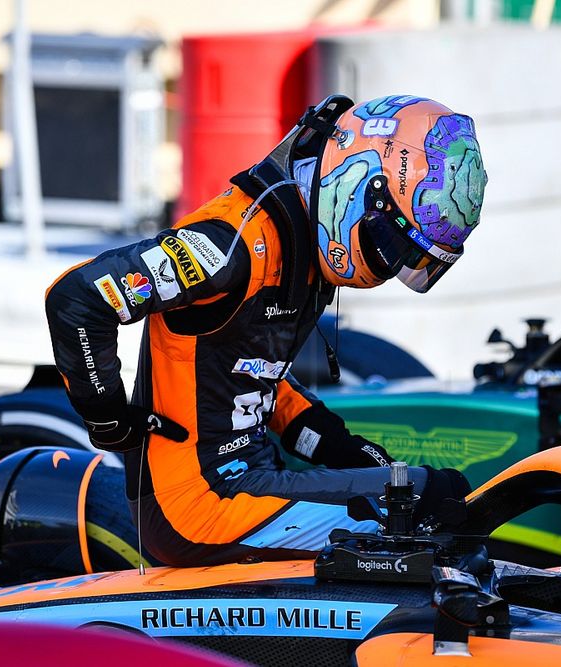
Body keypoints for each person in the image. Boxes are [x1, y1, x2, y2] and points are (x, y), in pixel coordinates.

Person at [45, 94, 488, 567]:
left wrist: (340, 446)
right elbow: (79, 298)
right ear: (356, 184)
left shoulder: (307, 243)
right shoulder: (230, 244)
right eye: (389, 245)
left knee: (442, 500)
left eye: (409, 259)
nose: (390, 265)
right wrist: (110, 418)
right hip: (193, 508)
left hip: (248, 483)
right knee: (430, 509)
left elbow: (256, 375)